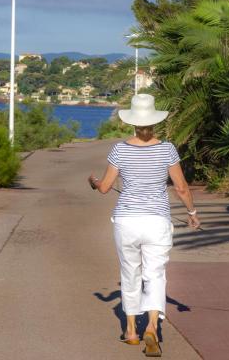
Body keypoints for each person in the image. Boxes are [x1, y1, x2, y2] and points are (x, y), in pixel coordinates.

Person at [87, 93, 199, 358]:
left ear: (133, 123)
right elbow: (181, 188)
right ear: (154, 122)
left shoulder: (120, 150)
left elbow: (104, 188)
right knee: (155, 275)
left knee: (130, 274)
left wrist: (93, 182)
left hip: (126, 221)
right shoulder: (167, 149)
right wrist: (192, 212)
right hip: (157, 221)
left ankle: (131, 332)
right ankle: (151, 327)